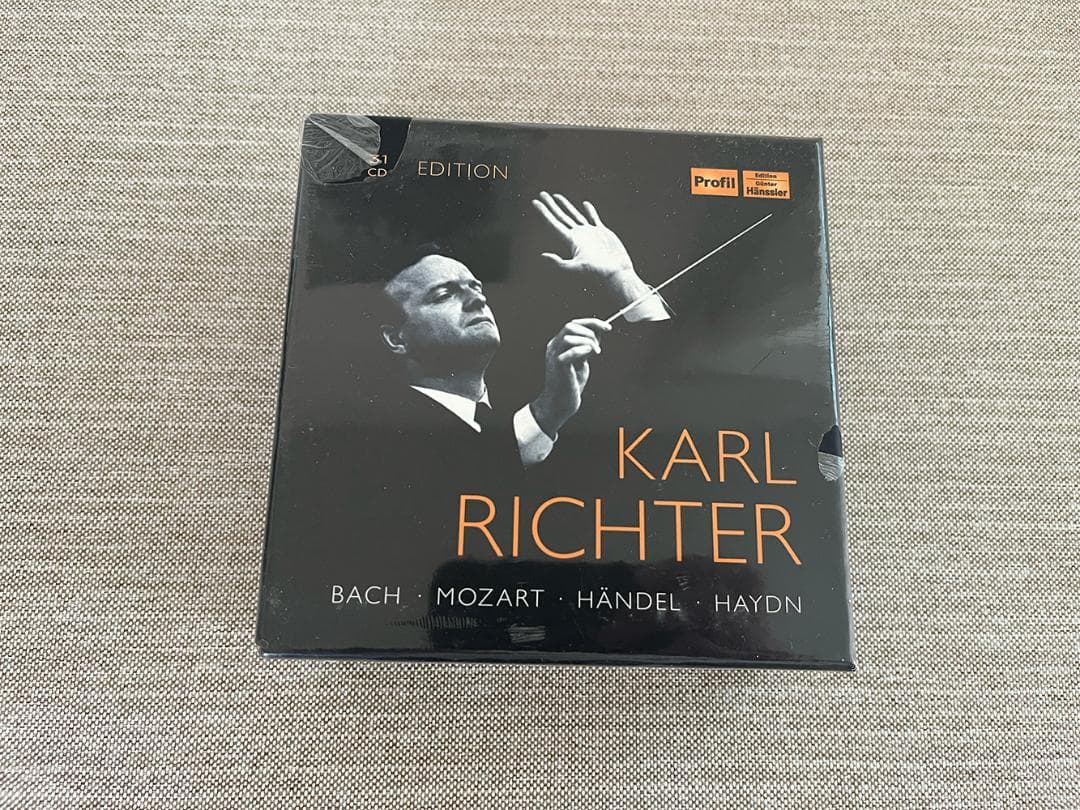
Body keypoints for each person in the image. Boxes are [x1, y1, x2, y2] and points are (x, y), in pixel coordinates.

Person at [374, 191, 670, 472]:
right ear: (396, 338)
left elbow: (665, 394)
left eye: (476, 287)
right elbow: (469, 476)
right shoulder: (382, 434)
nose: (478, 299)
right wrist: (546, 413)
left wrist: (622, 278)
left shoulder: (550, 408)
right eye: (444, 295)